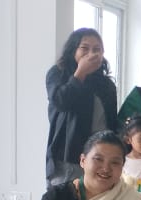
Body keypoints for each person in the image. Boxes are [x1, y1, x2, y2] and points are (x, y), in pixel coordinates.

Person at [46, 28, 118, 186]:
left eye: (97, 49)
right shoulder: (58, 73)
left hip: (101, 157)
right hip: (67, 157)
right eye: (84, 48)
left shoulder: (106, 85)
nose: (91, 53)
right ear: (73, 50)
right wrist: (80, 73)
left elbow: (112, 122)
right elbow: (60, 101)